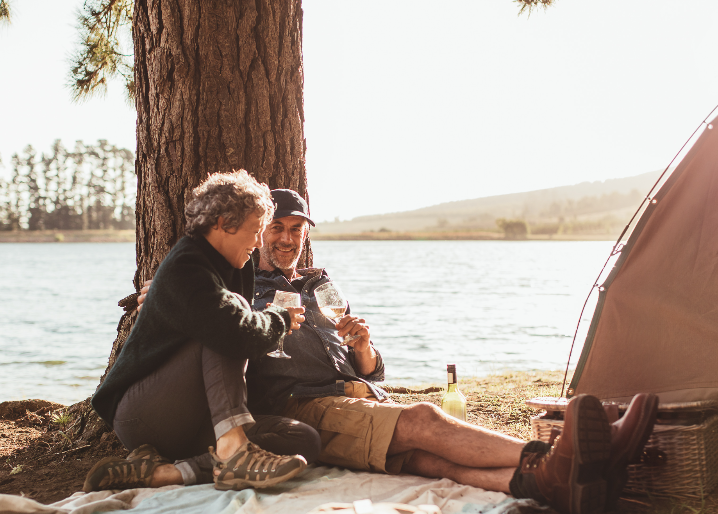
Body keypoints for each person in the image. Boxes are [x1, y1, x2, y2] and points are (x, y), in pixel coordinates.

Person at [243, 189, 660, 514]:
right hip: (306, 406)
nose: (287, 238)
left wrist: (365, 346)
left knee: (429, 459)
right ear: (259, 231)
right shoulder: (246, 294)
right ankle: (565, 455)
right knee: (424, 419)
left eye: (296, 229)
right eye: (277, 227)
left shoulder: (320, 285)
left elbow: (369, 373)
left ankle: (549, 482)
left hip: (359, 397)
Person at [82, 171, 320, 493]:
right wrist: (279, 317)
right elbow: (238, 334)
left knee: (301, 438)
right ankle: (234, 452)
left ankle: (167, 473)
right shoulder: (186, 266)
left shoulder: (237, 265)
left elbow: (242, 338)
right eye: (254, 231)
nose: (256, 242)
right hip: (145, 415)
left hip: (200, 420)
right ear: (222, 223)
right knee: (230, 317)